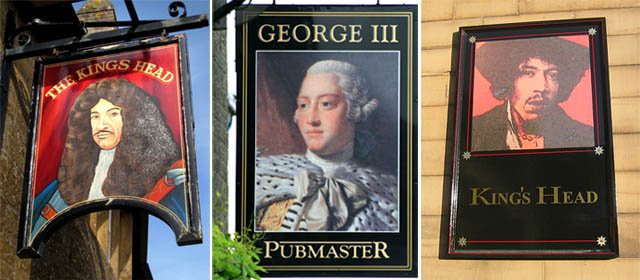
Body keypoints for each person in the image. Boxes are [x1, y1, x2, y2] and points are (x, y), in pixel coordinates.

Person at [255, 60, 398, 232]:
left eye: (326, 104)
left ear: (354, 109)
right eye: (303, 105)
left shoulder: (390, 194)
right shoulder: (262, 176)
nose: (311, 119)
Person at [32, 78, 186, 234]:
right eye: (95, 116)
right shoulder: (67, 180)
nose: (101, 126)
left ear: (135, 119)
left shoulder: (168, 180)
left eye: (113, 114)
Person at [471, 37, 594, 151]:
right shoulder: (473, 132)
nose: (541, 87)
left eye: (553, 75)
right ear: (507, 79)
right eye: (528, 73)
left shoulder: (586, 138)